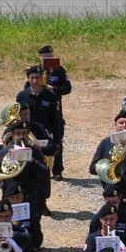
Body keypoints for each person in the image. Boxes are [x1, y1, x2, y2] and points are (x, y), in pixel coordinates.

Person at [18, 66, 65, 178]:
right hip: (29, 132)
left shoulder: (51, 96)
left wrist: (57, 139)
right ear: (28, 79)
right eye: (32, 78)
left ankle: (57, 171)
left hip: (46, 131)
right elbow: (19, 115)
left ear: (42, 78)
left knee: (54, 149)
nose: (35, 81)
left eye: (37, 78)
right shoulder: (22, 95)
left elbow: (56, 119)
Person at [38, 47, 74, 178]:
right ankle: (41, 168)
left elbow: (68, 88)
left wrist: (54, 89)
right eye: (46, 57)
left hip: (55, 111)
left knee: (57, 140)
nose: (49, 60)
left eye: (51, 57)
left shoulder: (59, 70)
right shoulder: (36, 71)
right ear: (40, 58)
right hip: (40, 112)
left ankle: (57, 171)